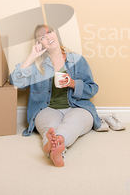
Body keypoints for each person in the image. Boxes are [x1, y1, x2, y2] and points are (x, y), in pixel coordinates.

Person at [9, 24, 101, 167]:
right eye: (42, 37)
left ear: (56, 34)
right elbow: (15, 81)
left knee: (73, 123)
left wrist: (72, 83)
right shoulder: (37, 65)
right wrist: (32, 56)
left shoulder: (77, 60)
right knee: (49, 127)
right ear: (39, 44)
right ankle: (56, 148)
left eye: (49, 32)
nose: (48, 37)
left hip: (78, 107)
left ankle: (54, 146)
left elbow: (93, 88)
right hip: (47, 109)